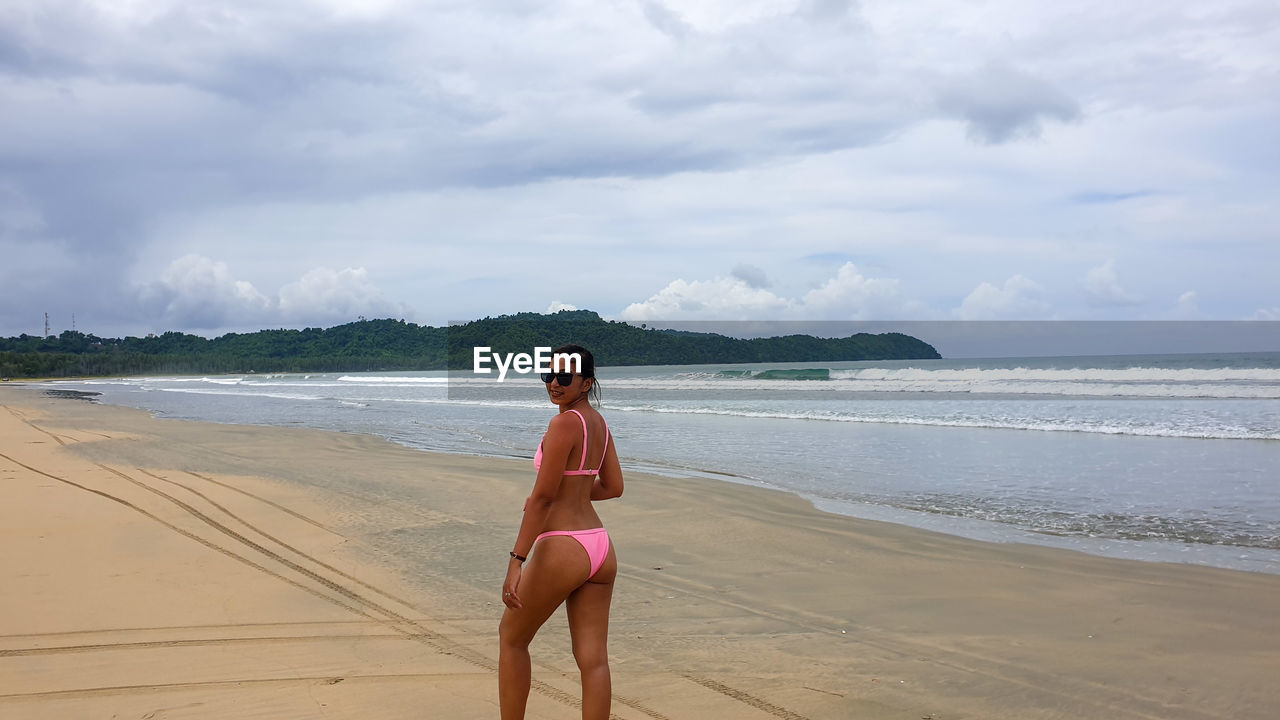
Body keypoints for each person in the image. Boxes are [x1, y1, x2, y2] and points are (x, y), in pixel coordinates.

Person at [499, 344, 624, 720]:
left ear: (586, 383)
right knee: (593, 660)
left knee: (512, 639)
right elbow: (613, 486)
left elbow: (543, 499)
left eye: (564, 377)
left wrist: (517, 560)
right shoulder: (598, 423)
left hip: (563, 547)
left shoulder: (564, 423)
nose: (553, 383)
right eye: (547, 375)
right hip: (599, 548)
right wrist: (577, 493)